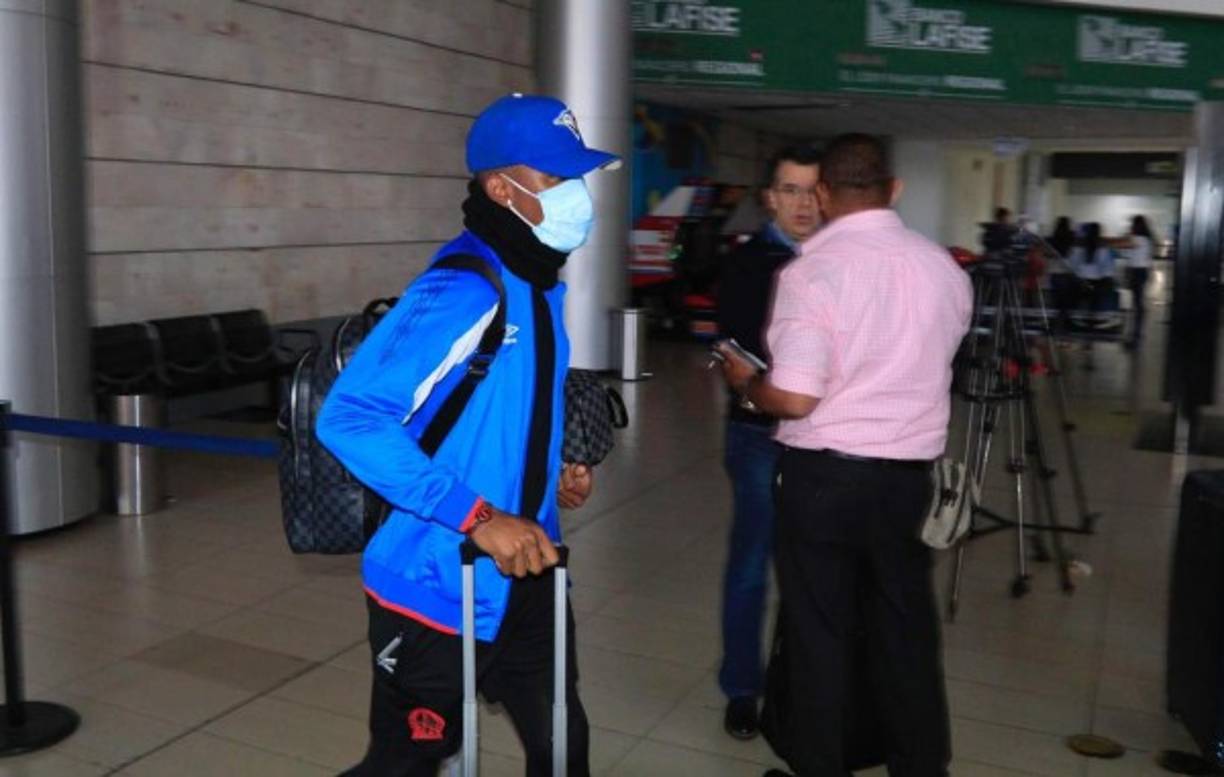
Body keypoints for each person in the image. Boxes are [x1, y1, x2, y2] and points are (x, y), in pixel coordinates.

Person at [316, 93, 619, 777]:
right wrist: (478, 517)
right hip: (435, 577)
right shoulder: (463, 287)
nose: (576, 193)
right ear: (499, 187)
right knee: (409, 762)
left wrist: (551, 472)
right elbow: (348, 418)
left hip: (529, 567)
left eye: (577, 176)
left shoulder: (539, 286)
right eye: (555, 177)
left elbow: (499, 415)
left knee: (562, 747)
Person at [716, 133, 971, 777]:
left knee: (819, 632)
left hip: (825, 480)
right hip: (909, 481)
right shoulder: (942, 266)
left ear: (825, 194)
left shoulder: (814, 273)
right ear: (893, 190)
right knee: (906, 631)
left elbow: (796, 398)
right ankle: (920, 767)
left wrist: (748, 384)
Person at [715, 145, 821, 741]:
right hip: (761, 435)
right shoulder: (750, 264)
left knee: (817, 567)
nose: (802, 203)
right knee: (754, 562)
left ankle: (806, 686)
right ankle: (742, 687)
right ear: (769, 198)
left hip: (827, 438)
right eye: (790, 190)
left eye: (811, 191)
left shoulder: (841, 258)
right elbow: (737, 346)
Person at [1112, 215, 1156, 348]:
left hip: (1139, 272)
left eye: (1132, 224)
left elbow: (1123, 245)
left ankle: (1136, 336)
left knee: (1138, 304)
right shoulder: (1143, 239)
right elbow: (1126, 252)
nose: (1130, 227)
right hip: (1137, 272)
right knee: (1136, 303)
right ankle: (1135, 334)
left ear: (1137, 226)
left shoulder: (1140, 239)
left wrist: (1106, 242)